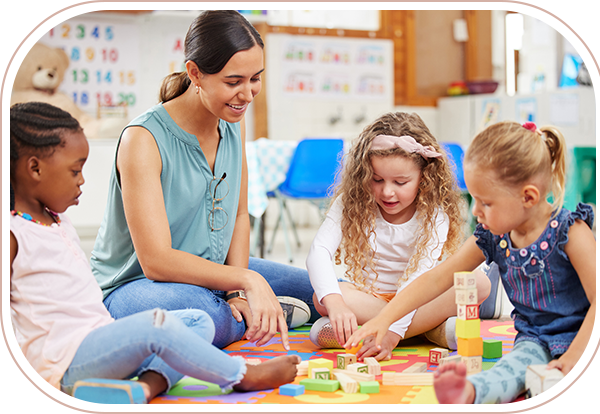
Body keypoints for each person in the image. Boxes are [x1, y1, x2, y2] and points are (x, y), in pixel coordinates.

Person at [9, 102, 301, 403]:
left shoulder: (57, 221)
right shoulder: (14, 233)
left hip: (99, 340)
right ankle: (242, 376)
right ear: (35, 168)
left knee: (196, 321)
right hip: (64, 360)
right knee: (158, 324)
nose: (82, 180)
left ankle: (146, 386)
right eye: (74, 171)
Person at [90, 10, 319, 350]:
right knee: (203, 317)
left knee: (324, 291)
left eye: (255, 78)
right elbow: (155, 261)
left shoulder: (232, 123)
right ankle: (263, 317)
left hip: (213, 275)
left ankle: (261, 314)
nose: (247, 94)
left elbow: (240, 215)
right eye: (233, 82)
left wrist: (237, 291)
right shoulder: (143, 139)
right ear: (194, 73)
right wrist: (245, 279)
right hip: (136, 285)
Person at [345, 121, 596, 404]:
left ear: (528, 197)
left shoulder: (571, 232)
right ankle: (471, 391)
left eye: (486, 203)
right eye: (474, 200)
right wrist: (385, 319)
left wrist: (577, 353)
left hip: (589, 337)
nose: (475, 211)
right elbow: (436, 278)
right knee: (510, 371)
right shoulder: (492, 236)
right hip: (535, 340)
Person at [306, 112, 491, 361]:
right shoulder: (351, 203)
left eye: (401, 182)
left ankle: (375, 333)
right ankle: (430, 331)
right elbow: (319, 251)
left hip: (420, 299)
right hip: (371, 298)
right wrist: (337, 305)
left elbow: (420, 279)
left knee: (479, 283)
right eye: (377, 179)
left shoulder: (434, 214)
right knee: (323, 298)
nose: (387, 192)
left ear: (424, 179)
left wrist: (392, 334)